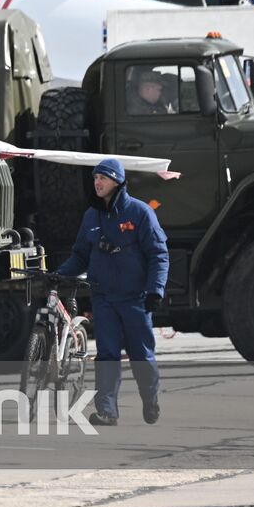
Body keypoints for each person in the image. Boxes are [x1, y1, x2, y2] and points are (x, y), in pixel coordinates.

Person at [57, 158, 168, 427]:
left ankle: (150, 398)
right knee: (106, 355)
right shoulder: (91, 216)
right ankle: (107, 411)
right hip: (104, 297)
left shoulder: (140, 213)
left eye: (103, 178)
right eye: (95, 178)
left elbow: (158, 254)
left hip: (135, 298)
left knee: (142, 356)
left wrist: (155, 291)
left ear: (117, 181)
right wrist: (59, 277)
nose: (97, 183)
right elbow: (80, 255)